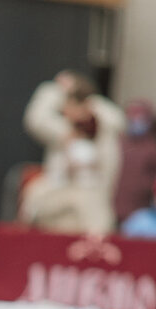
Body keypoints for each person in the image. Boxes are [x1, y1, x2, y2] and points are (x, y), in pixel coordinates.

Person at [21, 70, 124, 233]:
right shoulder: (62, 130)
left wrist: (86, 97)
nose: (65, 109)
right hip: (57, 205)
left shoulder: (104, 133)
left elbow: (118, 120)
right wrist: (57, 89)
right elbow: (36, 118)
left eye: (70, 102)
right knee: (34, 194)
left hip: (88, 209)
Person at [114, 98, 156, 232]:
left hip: (141, 212)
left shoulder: (152, 148)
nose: (136, 120)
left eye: (140, 117)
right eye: (132, 116)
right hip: (113, 209)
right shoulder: (118, 144)